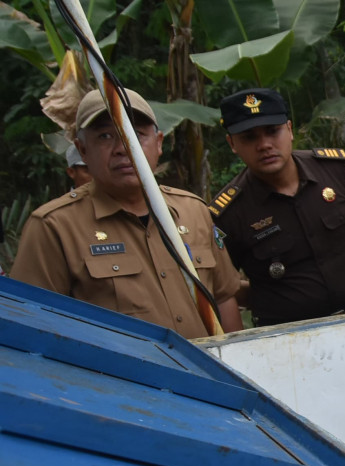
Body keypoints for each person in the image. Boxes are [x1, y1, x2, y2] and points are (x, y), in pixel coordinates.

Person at [10, 88, 242, 337]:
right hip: (118, 375)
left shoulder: (193, 211)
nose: (123, 147)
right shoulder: (54, 226)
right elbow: (30, 325)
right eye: (105, 136)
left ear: (159, 143)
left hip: (206, 372)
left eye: (136, 134)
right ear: (83, 150)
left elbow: (224, 297)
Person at [208, 87, 345, 327]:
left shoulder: (334, 170)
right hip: (286, 339)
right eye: (249, 137)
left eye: (273, 131)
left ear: (289, 129)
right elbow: (222, 288)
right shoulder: (229, 212)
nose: (264, 145)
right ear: (232, 143)